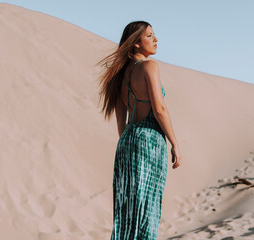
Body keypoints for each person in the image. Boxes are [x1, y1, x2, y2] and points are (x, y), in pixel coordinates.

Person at [96, 21, 182, 239]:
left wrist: (128, 142)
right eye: (150, 36)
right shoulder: (149, 66)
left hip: (127, 142)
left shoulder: (118, 75)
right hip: (150, 140)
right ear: (135, 43)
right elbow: (160, 108)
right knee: (147, 208)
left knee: (126, 210)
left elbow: (120, 120)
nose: (156, 39)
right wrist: (175, 143)